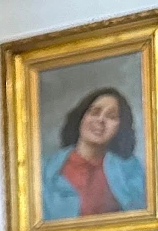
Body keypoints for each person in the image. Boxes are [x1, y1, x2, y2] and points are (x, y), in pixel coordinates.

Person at [42, 87, 146, 220]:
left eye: (111, 116)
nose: (101, 120)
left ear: (120, 127)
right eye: (95, 112)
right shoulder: (45, 170)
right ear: (81, 117)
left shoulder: (132, 170)